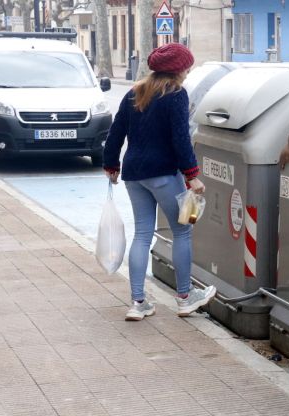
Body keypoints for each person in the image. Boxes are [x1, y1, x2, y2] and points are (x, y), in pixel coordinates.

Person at [103, 43, 216, 321]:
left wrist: (111, 164)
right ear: (178, 69)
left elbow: (116, 130)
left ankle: (138, 302)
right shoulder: (176, 95)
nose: (188, 72)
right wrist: (192, 175)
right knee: (182, 232)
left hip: (134, 174)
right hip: (165, 174)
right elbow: (180, 138)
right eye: (187, 67)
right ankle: (185, 297)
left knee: (142, 234)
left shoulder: (135, 91)